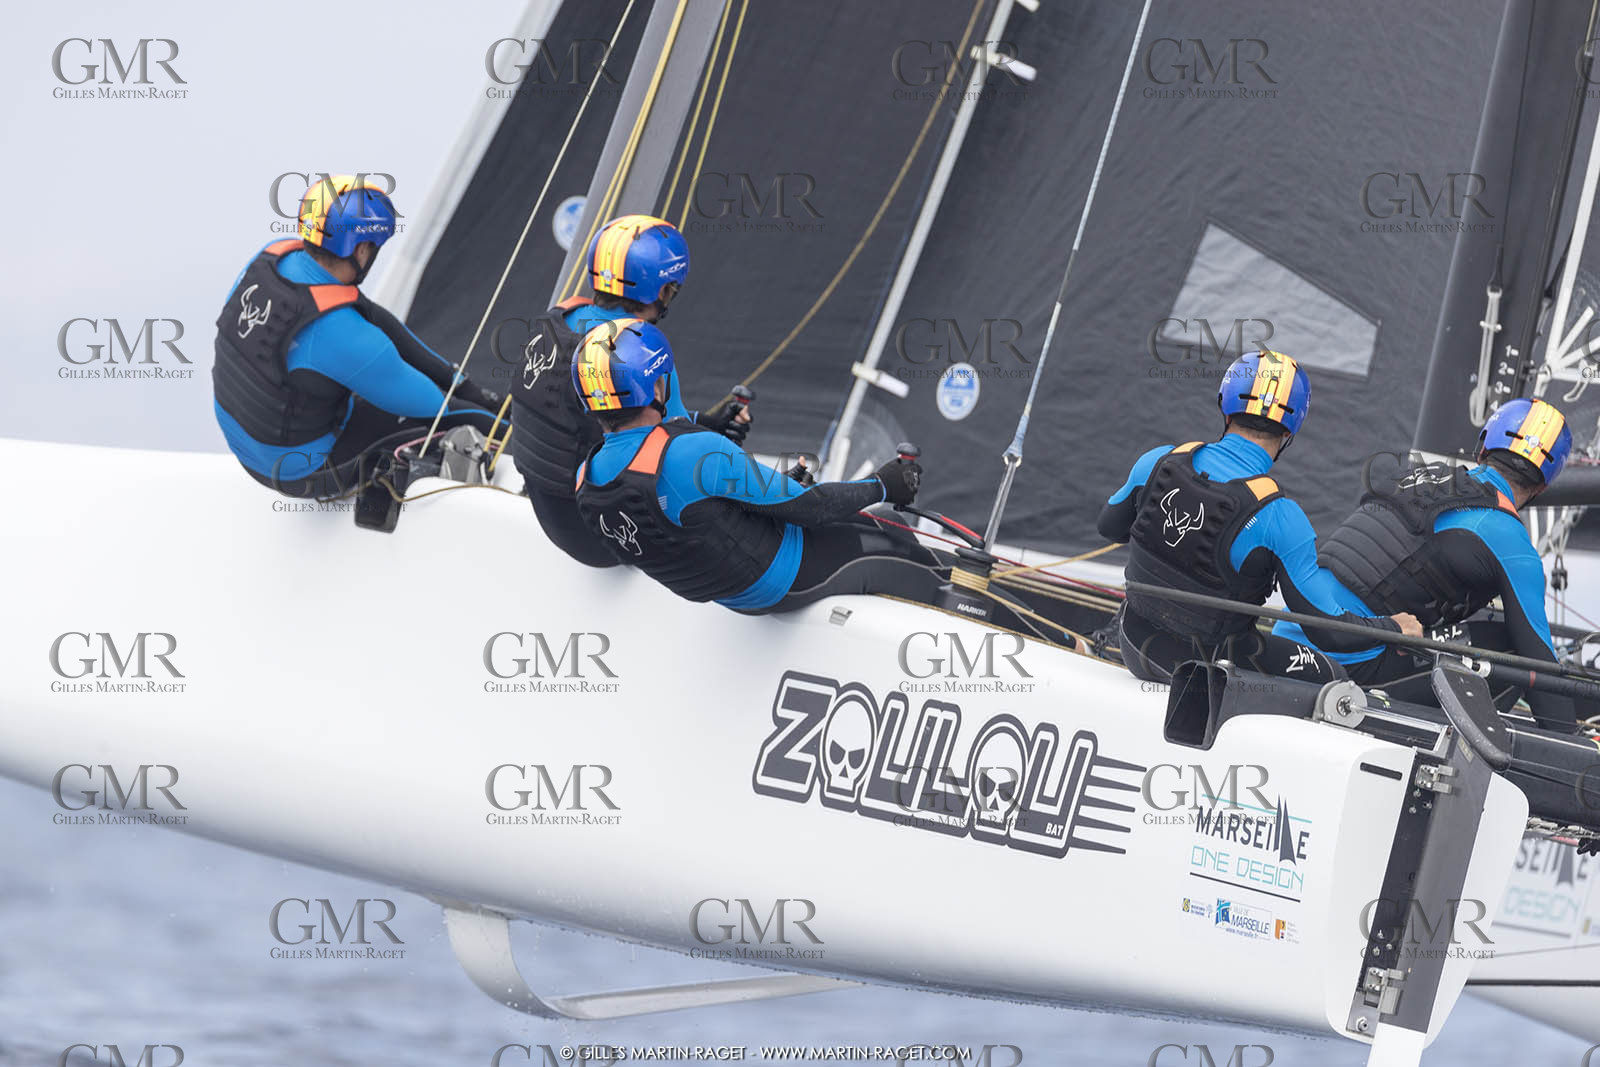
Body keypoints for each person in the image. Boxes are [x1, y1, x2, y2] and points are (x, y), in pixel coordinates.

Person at [570, 318, 941, 612]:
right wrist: (885, 484)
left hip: (734, 593)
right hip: (789, 575)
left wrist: (777, 492)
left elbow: (695, 516)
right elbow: (814, 508)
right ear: (655, 388)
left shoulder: (586, 478)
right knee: (896, 532)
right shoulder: (692, 453)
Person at [1097, 349, 1418, 684]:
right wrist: (1393, 627)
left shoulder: (1159, 460)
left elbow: (1110, 527)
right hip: (1204, 669)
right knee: (1333, 674)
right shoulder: (1280, 515)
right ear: (1290, 432)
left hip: (1134, 643)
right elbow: (1329, 630)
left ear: (1225, 406)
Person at [1275, 397, 1582, 731]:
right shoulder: (1512, 542)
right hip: (1345, 666)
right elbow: (1538, 665)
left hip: (1287, 637)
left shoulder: (1417, 476)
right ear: (1542, 486)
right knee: (1509, 649)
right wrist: (1572, 746)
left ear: (1482, 449)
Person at [213, 175, 503, 498]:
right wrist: (508, 424)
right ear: (362, 250)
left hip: (244, 439)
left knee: (360, 358)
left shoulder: (272, 258)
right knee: (437, 425)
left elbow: (368, 312)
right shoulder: (346, 337)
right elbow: (442, 410)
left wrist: (464, 384)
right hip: (298, 472)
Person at [509, 214, 750, 567]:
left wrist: (707, 421)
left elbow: (604, 415)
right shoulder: (637, 347)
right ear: (662, 289)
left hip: (549, 511)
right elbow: (684, 451)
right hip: (604, 539)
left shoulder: (557, 320)